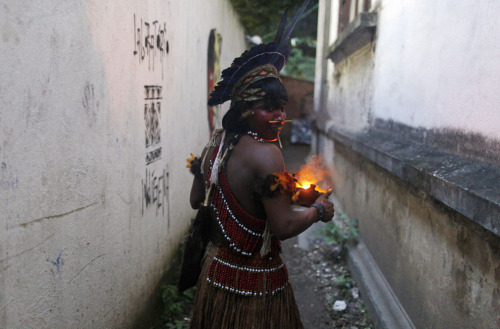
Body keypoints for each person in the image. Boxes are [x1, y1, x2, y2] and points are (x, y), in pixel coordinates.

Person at [185, 1, 334, 328]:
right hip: (256, 285)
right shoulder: (268, 153)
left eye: (282, 107)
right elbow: (282, 227)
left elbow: (198, 200)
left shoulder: (216, 144)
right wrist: (319, 210)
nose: (280, 117)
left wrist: (295, 193)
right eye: (269, 108)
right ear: (244, 109)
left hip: (216, 275)